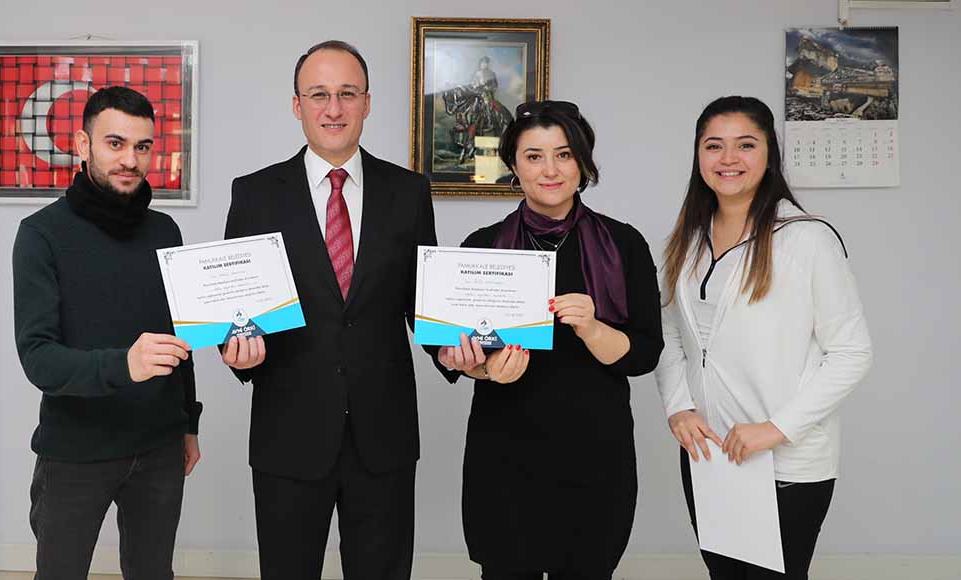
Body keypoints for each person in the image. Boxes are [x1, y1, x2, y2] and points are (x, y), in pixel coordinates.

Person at [220, 40, 437, 580]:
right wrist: (236, 351)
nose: (333, 108)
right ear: (298, 105)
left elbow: (425, 307)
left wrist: (463, 352)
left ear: (367, 102)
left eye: (347, 94)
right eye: (319, 94)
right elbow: (234, 310)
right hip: (288, 435)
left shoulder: (409, 192)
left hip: (383, 436)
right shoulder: (254, 194)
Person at [438, 100, 664, 579]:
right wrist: (481, 369)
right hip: (505, 455)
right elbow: (451, 350)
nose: (550, 170)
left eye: (564, 155)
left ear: (583, 162)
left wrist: (593, 328)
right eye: (534, 156)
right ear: (513, 165)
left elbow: (645, 353)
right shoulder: (482, 246)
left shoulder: (624, 244)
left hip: (594, 454)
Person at [654, 95, 873, 579]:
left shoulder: (807, 238)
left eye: (746, 145)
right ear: (698, 156)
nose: (728, 158)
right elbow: (669, 331)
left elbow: (851, 352)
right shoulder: (688, 239)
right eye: (714, 145)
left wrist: (775, 429)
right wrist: (678, 406)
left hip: (783, 461)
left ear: (769, 153)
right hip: (710, 453)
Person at [12, 86, 202, 580]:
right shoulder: (40, 234)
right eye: (115, 143)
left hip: (160, 447)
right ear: (82, 145)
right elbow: (38, 358)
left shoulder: (166, 232)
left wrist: (189, 422)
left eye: (142, 146)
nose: (130, 160)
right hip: (75, 449)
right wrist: (124, 363)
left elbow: (179, 338)